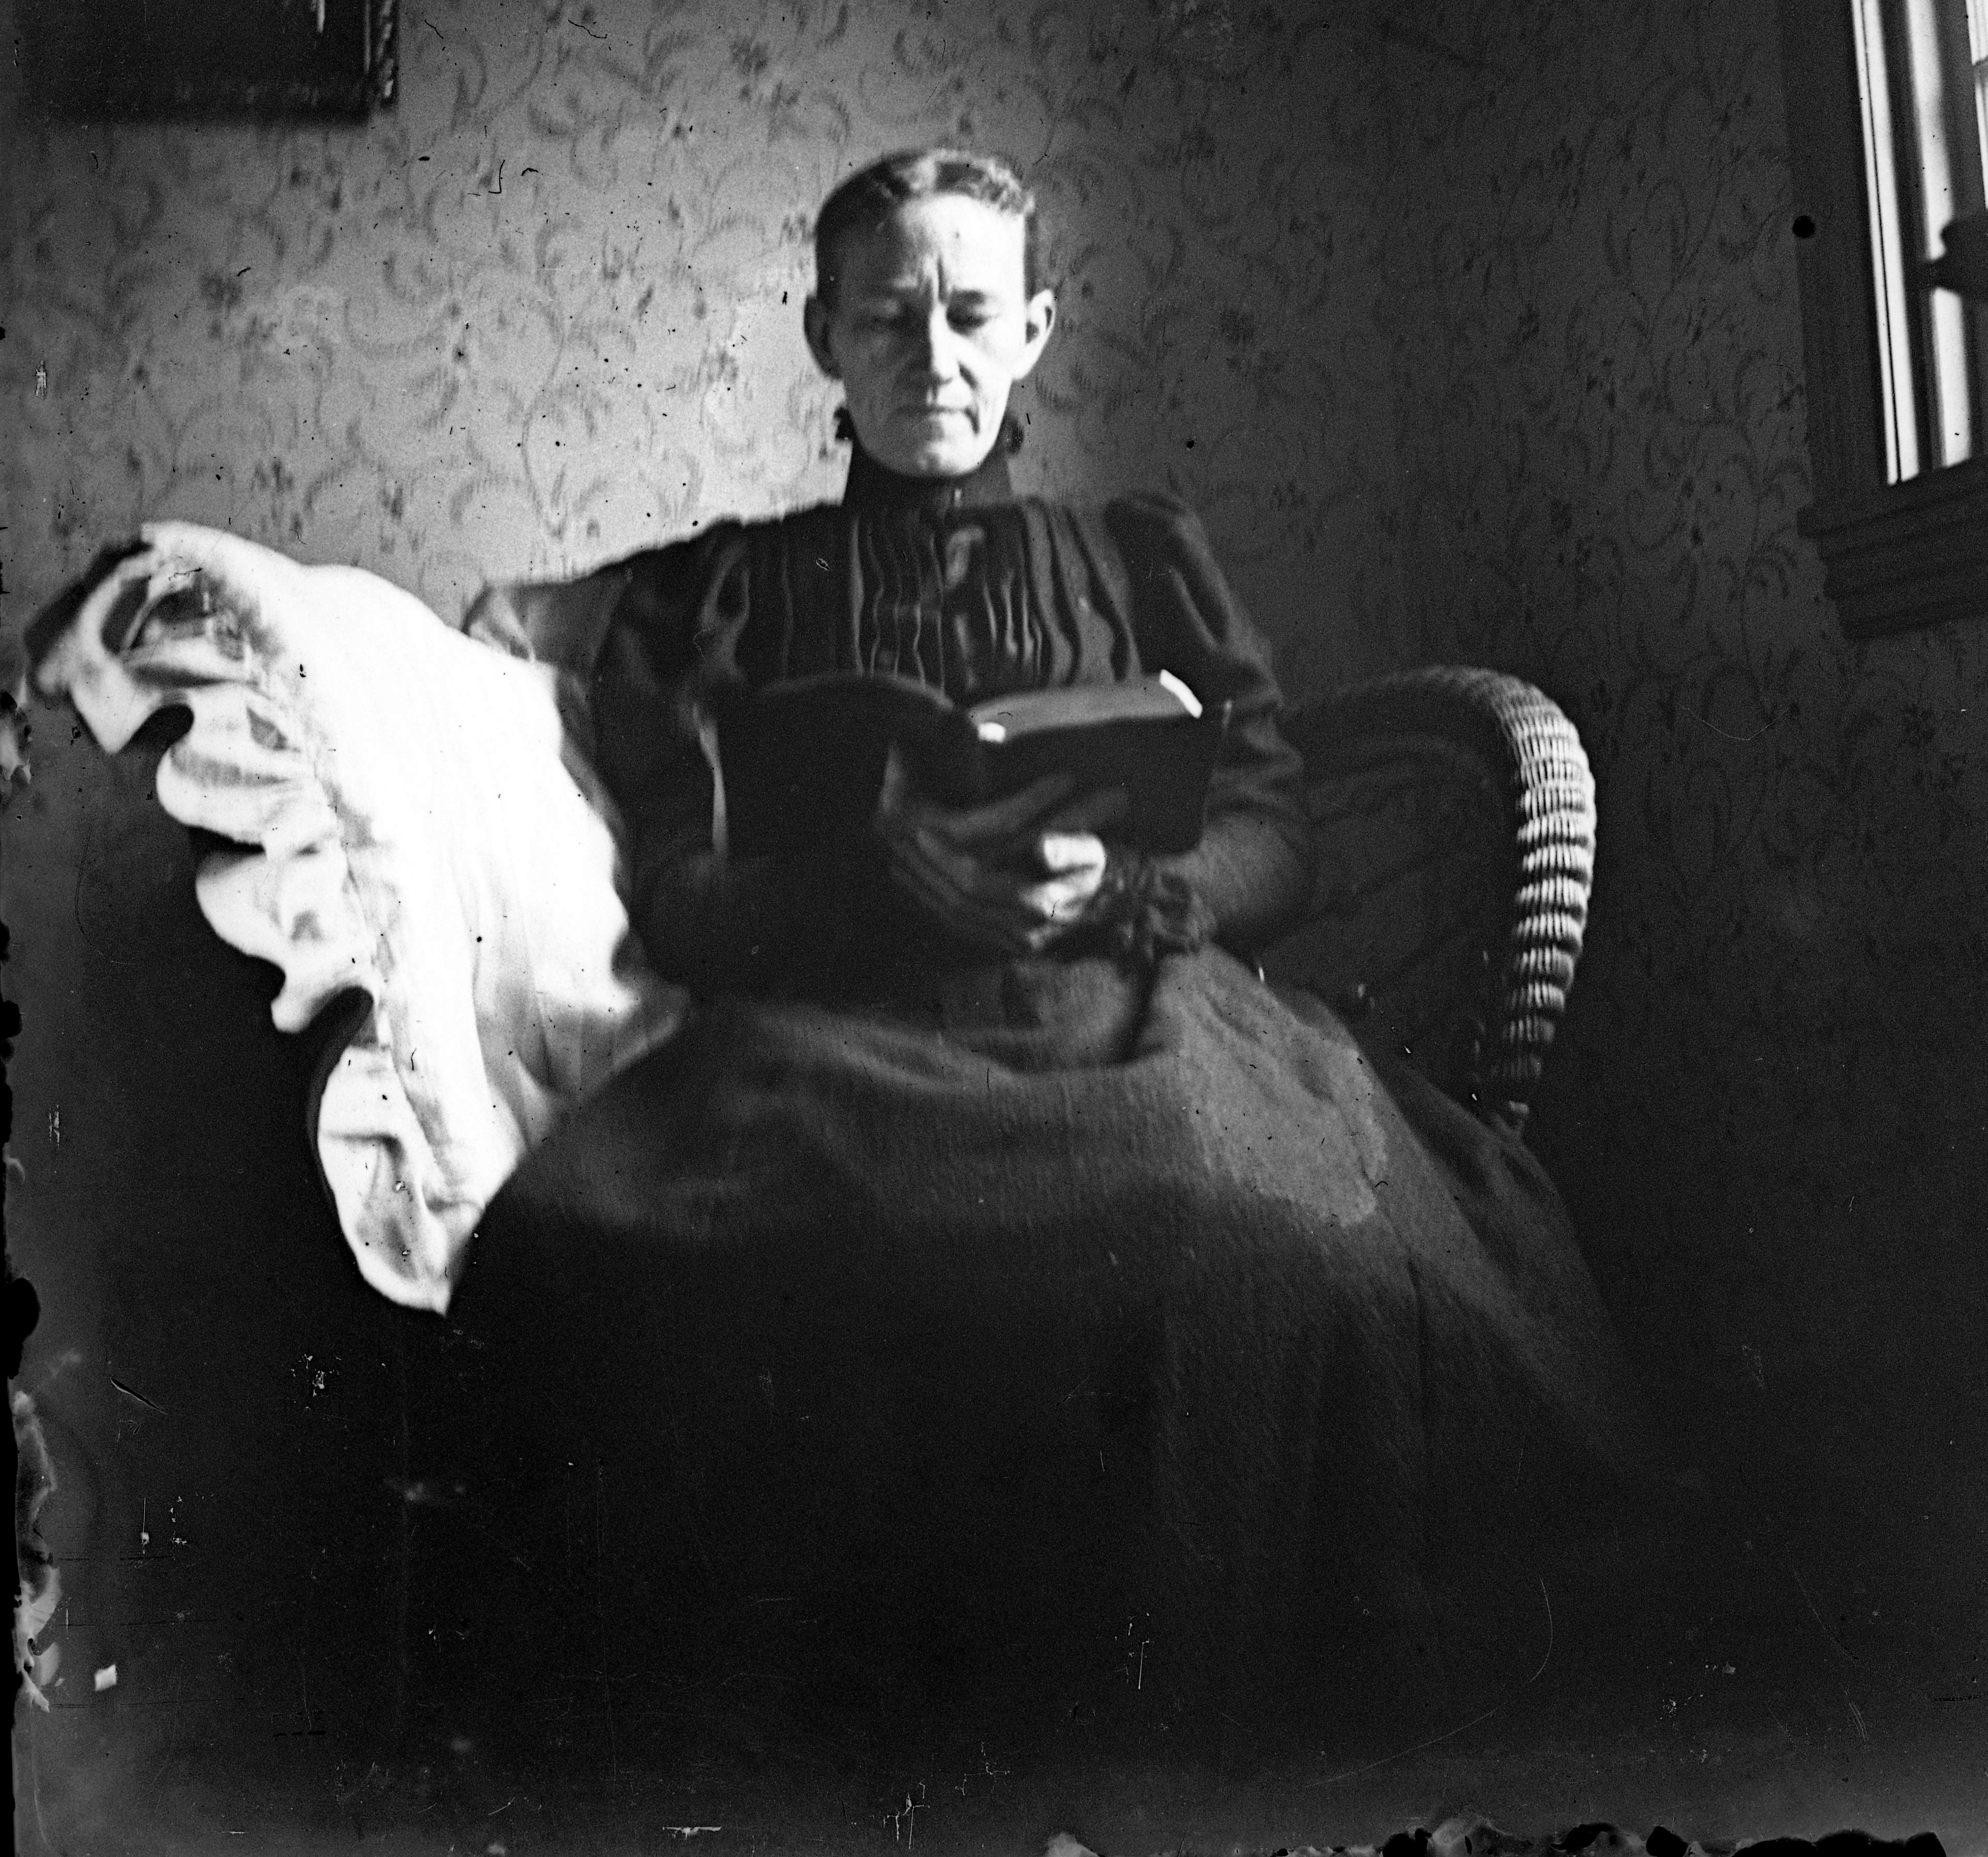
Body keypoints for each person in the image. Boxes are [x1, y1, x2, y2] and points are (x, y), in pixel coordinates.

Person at [443, 149, 1660, 1750]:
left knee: (1227, 1208)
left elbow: (1277, 828)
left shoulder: (1140, 553)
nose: (930, 357)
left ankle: (1193, 1749)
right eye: (886, 319)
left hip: (1133, 997)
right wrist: (881, 882)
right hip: (845, 1026)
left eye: (967, 315)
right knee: (654, 1262)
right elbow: (676, 887)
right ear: (822, 338)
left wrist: (1118, 891)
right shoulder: (730, 586)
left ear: (1032, 329)